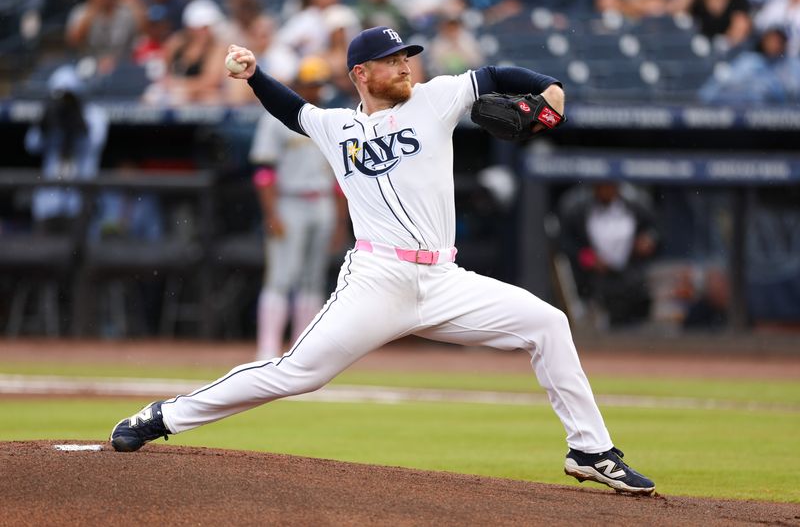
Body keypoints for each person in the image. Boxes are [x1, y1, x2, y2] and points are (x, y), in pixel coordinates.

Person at [109, 26, 656, 496]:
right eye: (392, 62)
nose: (404, 67)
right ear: (361, 74)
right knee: (296, 374)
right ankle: (163, 416)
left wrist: (547, 88)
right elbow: (291, 109)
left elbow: (491, 74)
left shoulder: (435, 98)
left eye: (406, 58)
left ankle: (590, 451)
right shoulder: (335, 127)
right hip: (377, 279)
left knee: (548, 323)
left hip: (444, 279)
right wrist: (253, 76)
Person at [250, 56, 349, 360]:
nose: (315, 89)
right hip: (289, 201)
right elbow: (264, 173)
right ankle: (267, 349)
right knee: (282, 276)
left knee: (313, 278)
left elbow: (340, 179)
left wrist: (340, 223)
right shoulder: (275, 117)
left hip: (321, 203)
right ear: (299, 83)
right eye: (310, 83)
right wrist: (271, 213)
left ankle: (302, 348)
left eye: (319, 83)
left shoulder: (327, 118)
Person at [558, 182, 659, 329]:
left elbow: (655, 230)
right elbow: (566, 243)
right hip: (592, 278)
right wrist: (588, 259)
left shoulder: (636, 207)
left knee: (634, 301)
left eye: (610, 186)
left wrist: (649, 239)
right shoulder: (578, 210)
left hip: (629, 275)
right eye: (602, 186)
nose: (606, 190)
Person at [25, 65, 109, 234]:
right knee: (45, 255)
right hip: (49, 200)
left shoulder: (94, 115)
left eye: (68, 97)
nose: (63, 102)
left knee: (78, 256)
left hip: (79, 201)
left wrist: (75, 118)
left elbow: (93, 142)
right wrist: (44, 123)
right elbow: (31, 145)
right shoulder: (51, 116)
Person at [698, 26, 800, 104]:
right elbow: (725, 82)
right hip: (745, 114)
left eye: (778, 42)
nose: (773, 45)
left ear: (784, 43)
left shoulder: (793, 65)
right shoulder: (749, 61)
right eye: (770, 40)